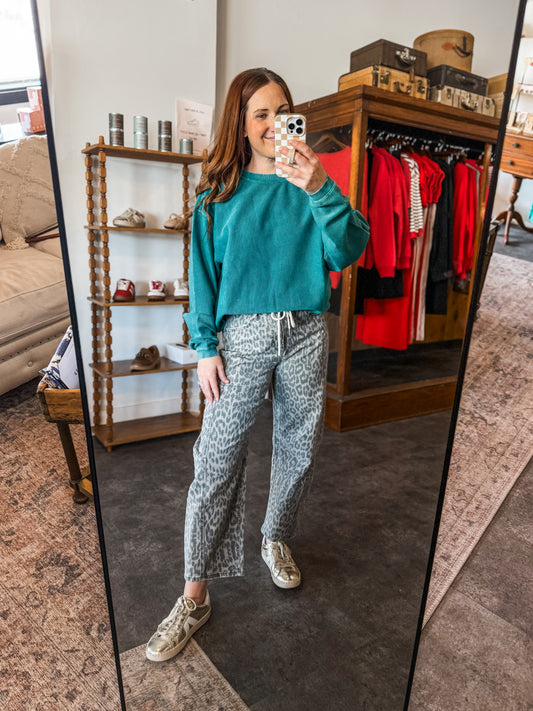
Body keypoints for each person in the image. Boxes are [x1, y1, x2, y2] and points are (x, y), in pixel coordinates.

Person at [145, 67, 369, 662]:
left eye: (282, 111)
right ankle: (194, 595)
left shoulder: (311, 184)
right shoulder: (217, 196)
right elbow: (202, 277)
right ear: (240, 126)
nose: (274, 125)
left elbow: (350, 249)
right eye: (260, 114)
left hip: (305, 330)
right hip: (240, 337)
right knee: (215, 459)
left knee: (299, 447)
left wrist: (320, 187)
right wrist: (205, 347)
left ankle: (275, 538)